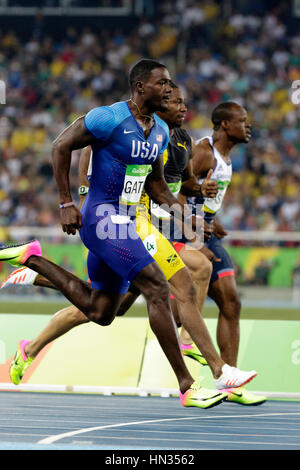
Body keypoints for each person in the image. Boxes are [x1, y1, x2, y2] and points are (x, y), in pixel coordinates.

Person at [0, 63, 257, 407]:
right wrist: (67, 201)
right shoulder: (108, 118)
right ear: (140, 86)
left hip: (130, 220)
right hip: (102, 216)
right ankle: (189, 385)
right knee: (156, 286)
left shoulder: (160, 131)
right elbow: (61, 145)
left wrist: (185, 219)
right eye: (161, 83)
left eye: (169, 83)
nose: (168, 89)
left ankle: (31, 258)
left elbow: (157, 187)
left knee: (102, 311)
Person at [170, 101, 266, 405]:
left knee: (232, 302)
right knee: (121, 304)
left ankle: (231, 382)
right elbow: (178, 195)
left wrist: (214, 220)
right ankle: (189, 340)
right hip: (186, 230)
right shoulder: (203, 152)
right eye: (243, 120)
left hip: (207, 229)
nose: (248, 125)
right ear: (225, 125)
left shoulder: (225, 157)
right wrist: (195, 230)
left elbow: (204, 194)